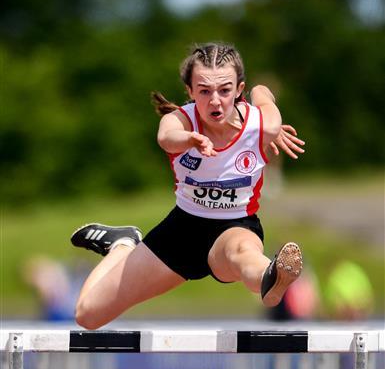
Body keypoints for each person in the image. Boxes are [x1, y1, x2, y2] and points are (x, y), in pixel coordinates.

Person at [71, 43, 305, 329]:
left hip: (235, 225)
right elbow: (166, 137)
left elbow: (265, 99)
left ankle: (271, 276)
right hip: (180, 232)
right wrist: (190, 139)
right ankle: (122, 246)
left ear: (239, 89)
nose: (215, 101)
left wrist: (260, 93)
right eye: (204, 91)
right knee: (88, 316)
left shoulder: (262, 125)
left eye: (225, 90)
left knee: (242, 253)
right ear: (190, 92)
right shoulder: (180, 119)